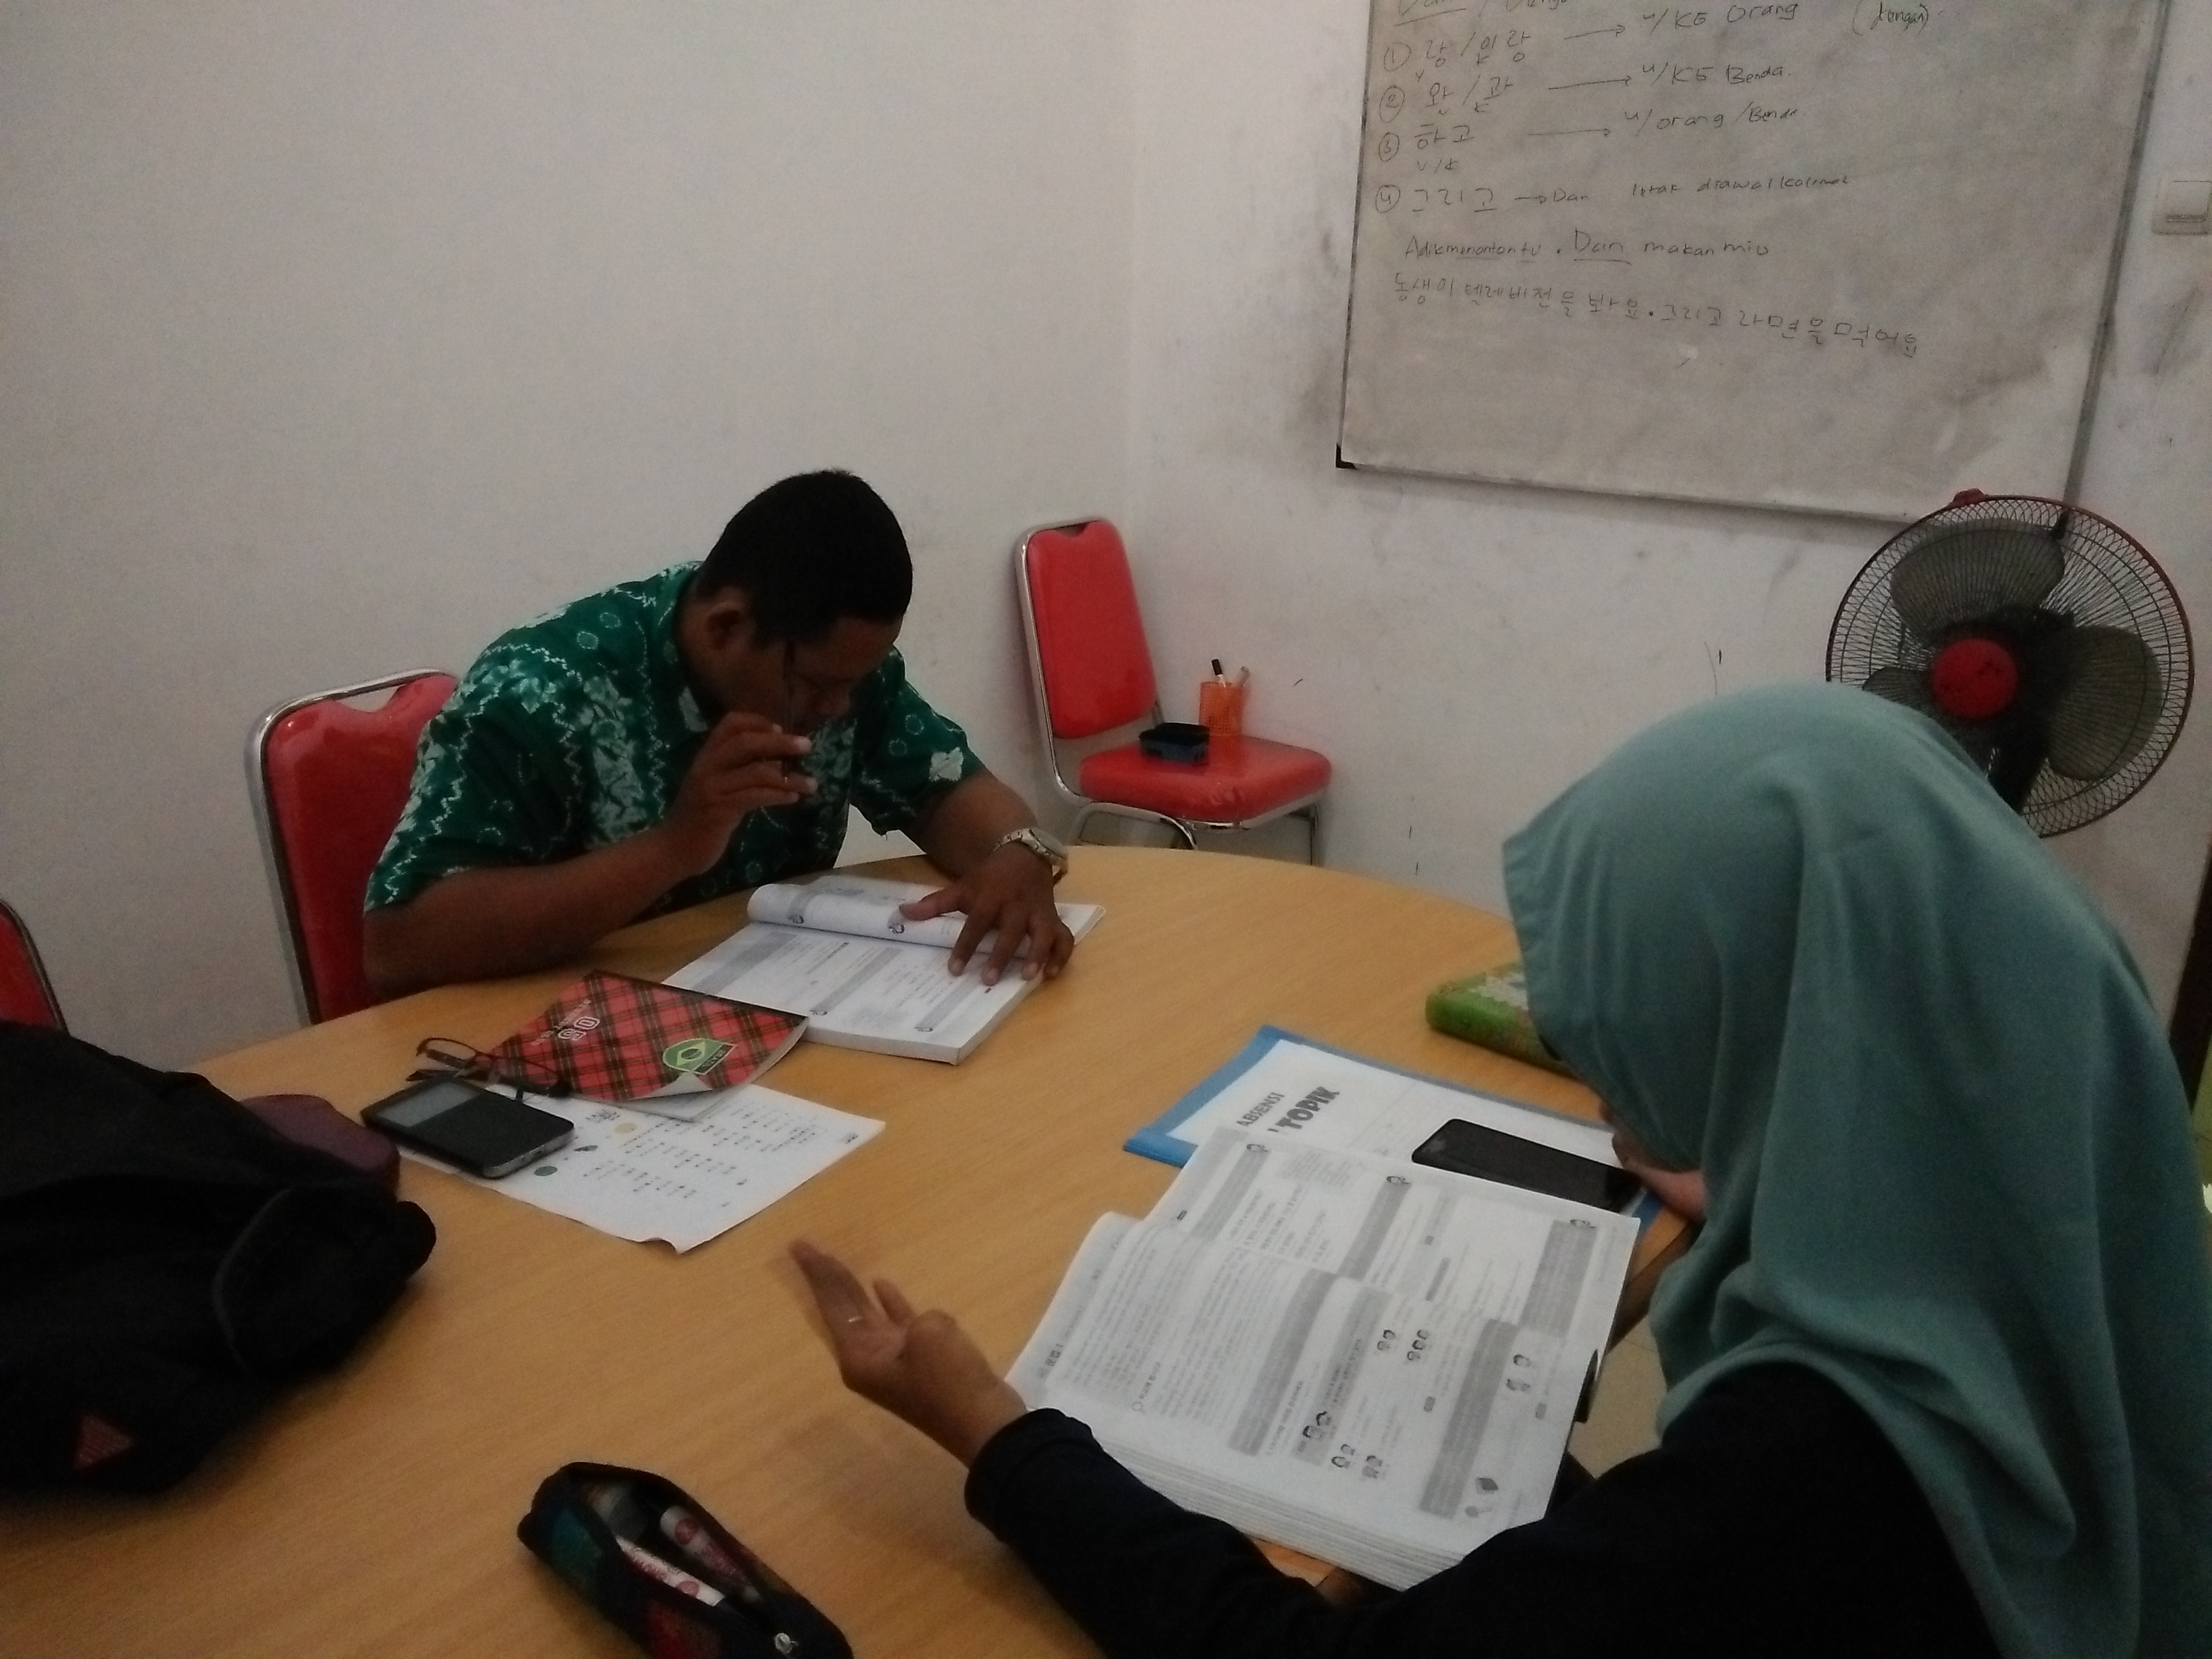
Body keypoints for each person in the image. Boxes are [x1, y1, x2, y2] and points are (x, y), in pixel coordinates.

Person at [789, 684, 2212, 1658]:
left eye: (1635, 1030)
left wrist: (999, 1433)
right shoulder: (2075, 1179)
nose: (1602, 1089)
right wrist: (1763, 1185)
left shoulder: (1806, 1471)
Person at [363, 471, 1074, 998]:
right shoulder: (540, 691)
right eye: (816, 686)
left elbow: (945, 789)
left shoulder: (839, 678)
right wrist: (674, 847)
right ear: (725, 627)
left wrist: (1020, 852)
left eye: (858, 681)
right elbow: (399, 943)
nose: (839, 707)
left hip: (765, 1009)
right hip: (560, 1038)